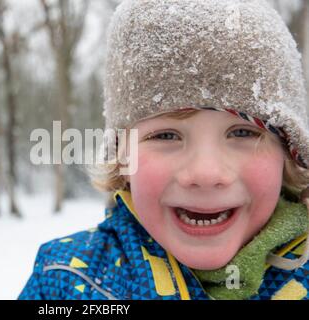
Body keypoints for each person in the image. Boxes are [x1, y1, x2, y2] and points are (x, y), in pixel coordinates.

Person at [19, 0, 309, 300]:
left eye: (243, 132)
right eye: (167, 135)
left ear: (289, 155)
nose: (206, 173)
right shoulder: (66, 282)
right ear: (122, 158)